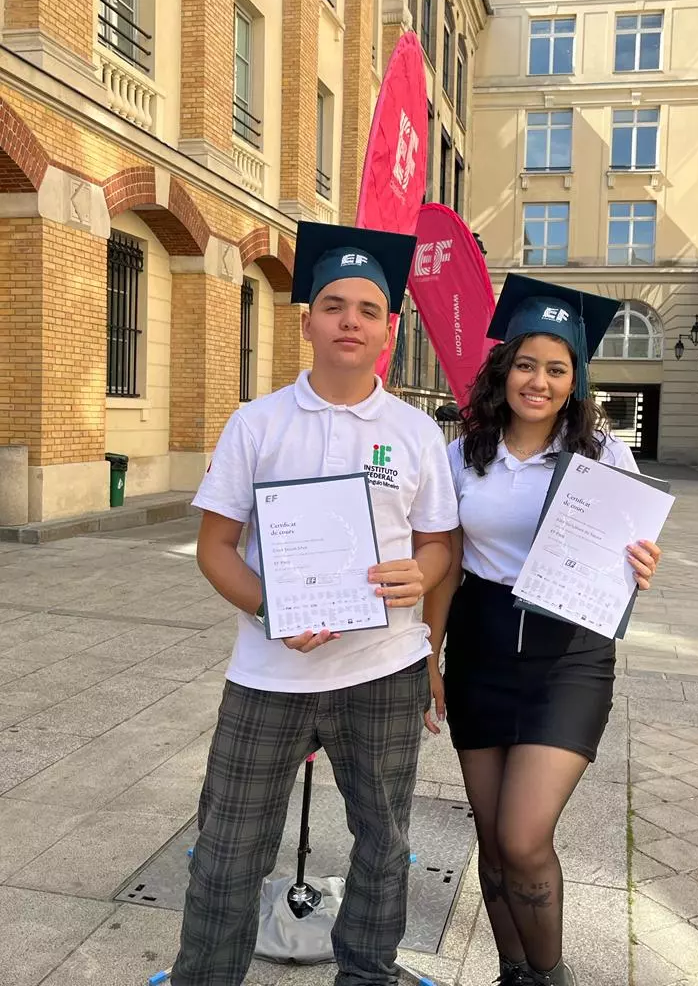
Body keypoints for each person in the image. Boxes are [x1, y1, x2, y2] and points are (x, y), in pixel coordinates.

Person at [171, 221, 459, 986]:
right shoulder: (256, 424)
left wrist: (421, 577)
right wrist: (275, 610)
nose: (350, 322)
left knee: (385, 843)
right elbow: (215, 548)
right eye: (334, 305)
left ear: (387, 329)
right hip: (270, 673)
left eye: (368, 309)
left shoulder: (415, 433)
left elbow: (440, 544)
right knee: (229, 849)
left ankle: (367, 975)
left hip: (384, 669)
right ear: (307, 321)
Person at [422, 274, 662, 986]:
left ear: (575, 380)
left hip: (569, 655)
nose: (539, 380)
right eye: (527, 363)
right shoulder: (465, 456)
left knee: (524, 838)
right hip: (482, 643)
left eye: (557, 368)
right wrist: (429, 656)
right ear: (504, 368)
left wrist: (642, 564)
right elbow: (447, 561)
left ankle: (551, 976)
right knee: (492, 844)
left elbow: (629, 543)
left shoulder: (601, 454)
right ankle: (513, 974)